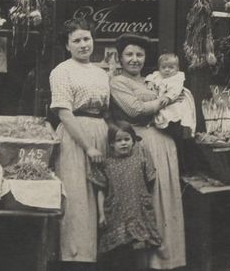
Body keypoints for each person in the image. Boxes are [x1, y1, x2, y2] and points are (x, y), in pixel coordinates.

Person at [107, 33, 186, 270]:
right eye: (129, 54)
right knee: (144, 201)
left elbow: (182, 97)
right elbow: (134, 110)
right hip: (139, 145)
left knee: (165, 199)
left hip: (162, 143)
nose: (134, 59)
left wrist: (164, 97)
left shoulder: (153, 81)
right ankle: (146, 263)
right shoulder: (117, 82)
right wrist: (164, 100)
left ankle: (167, 260)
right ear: (120, 58)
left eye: (139, 54)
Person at [49, 17, 109, 271]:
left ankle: (95, 260)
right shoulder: (62, 70)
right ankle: (74, 260)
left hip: (100, 133)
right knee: (76, 200)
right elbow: (64, 113)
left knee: (99, 198)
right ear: (67, 45)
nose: (83, 44)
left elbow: (105, 111)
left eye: (87, 39)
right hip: (75, 138)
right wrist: (89, 147)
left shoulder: (101, 72)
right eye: (77, 41)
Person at [95, 122, 162, 271]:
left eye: (127, 139)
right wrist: (101, 214)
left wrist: (143, 198)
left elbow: (150, 180)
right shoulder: (107, 164)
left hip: (138, 211)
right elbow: (100, 189)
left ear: (133, 140)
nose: (123, 143)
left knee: (141, 246)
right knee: (119, 250)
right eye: (118, 141)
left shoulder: (140, 159)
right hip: (116, 212)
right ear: (111, 144)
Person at [145, 53, 196, 136]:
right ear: (159, 68)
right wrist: (150, 82)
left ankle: (174, 127)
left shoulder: (177, 77)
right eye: (163, 67)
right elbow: (150, 76)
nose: (167, 70)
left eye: (171, 67)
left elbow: (176, 89)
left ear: (177, 69)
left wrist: (168, 97)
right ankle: (159, 124)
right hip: (162, 100)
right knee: (161, 113)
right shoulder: (157, 74)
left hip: (175, 99)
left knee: (174, 114)